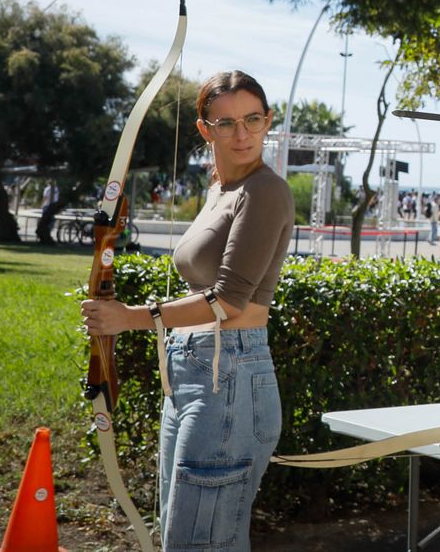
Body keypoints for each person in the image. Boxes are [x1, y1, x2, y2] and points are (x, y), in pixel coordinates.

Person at [82, 70, 293, 552]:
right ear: (205, 130)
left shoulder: (265, 191)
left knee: (198, 543)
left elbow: (228, 301)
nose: (242, 134)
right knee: (183, 536)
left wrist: (130, 317)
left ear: (267, 122)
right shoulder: (223, 187)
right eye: (226, 123)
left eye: (253, 120)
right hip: (194, 372)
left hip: (231, 376)